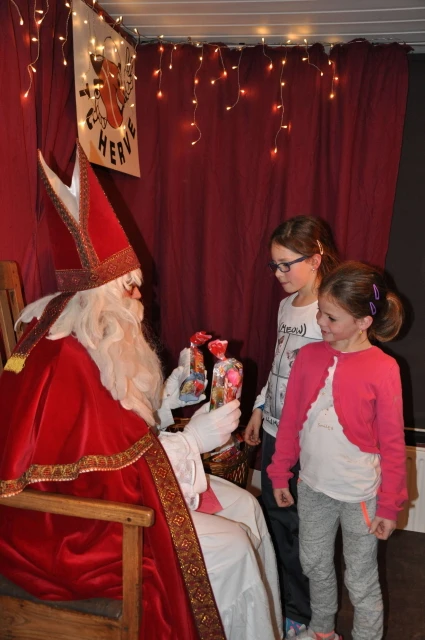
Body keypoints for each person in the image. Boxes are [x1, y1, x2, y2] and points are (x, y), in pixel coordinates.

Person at [0, 142, 282, 640]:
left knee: (248, 508)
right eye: (128, 287)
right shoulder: (63, 361)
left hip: (108, 502)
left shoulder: (89, 333)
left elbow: (111, 431)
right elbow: (101, 473)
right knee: (235, 545)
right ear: (97, 297)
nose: (140, 297)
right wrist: (192, 440)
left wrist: (164, 402)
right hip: (75, 536)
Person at [268, 262, 408, 640]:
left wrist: (390, 506)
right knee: (314, 563)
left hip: (360, 493)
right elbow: (291, 420)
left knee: (360, 579)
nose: (320, 322)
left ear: (363, 322)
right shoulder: (308, 356)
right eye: (320, 312)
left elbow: (393, 445)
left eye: (331, 317)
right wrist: (279, 473)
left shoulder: (384, 368)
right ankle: (322, 631)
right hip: (313, 486)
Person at [244, 216, 339, 637]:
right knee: (277, 519)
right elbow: (279, 363)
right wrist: (259, 408)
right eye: (274, 265)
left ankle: (306, 615)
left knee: (303, 529)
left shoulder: (330, 312)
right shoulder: (286, 306)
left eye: (287, 264)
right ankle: (288, 603)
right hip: (274, 431)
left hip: (306, 440)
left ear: (315, 259)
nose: (278, 273)